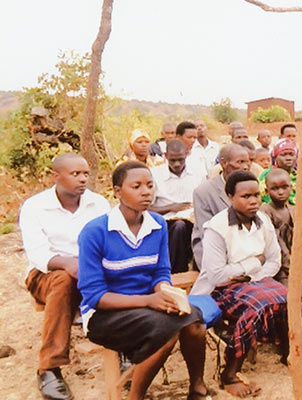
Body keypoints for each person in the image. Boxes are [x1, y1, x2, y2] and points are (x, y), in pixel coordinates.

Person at [77, 161, 209, 400]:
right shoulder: (95, 231)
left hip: (149, 305)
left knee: (195, 322)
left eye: (149, 185)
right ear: (117, 191)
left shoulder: (157, 224)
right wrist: (149, 300)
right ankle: (135, 396)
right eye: (136, 186)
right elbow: (95, 297)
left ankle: (197, 389)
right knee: (166, 332)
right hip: (105, 314)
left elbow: (160, 272)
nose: (146, 191)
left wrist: (166, 293)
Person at [190, 171, 302, 397]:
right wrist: (254, 263)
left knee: (291, 301)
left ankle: (288, 351)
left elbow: (274, 261)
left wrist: (249, 276)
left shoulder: (262, 221)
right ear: (230, 197)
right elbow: (217, 275)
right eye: (246, 196)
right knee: (258, 308)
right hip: (220, 289)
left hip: (253, 281)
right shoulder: (216, 228)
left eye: (257, 195)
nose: (254, 200)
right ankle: (229, 373)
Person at [19, 153, 110, 400]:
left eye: (85, 174)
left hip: (91, 272)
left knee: (123, 275)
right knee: (63, 280)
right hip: (46, 275)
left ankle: (124, 351)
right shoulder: (35, 207)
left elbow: (108, 242)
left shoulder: (98, 203)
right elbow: (38, 254)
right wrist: (70, 264)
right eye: (75, 174)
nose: (82, 179)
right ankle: (49, 367)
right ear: (55, 176)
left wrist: (90, 266)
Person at [259, 169, 302, 324]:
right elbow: (275, 242)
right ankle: (295, 321)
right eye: (275, 188)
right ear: (267, 190)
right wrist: (292, 266)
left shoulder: (293, 209)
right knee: (291, 292)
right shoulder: (265, 211)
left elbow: (301, 240)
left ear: (291, 187)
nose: (281, 192)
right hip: (280, 265)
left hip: (299, 261)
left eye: (285, 187)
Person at [192, 144, 251, 268]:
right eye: (240, 162)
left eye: (247, 162)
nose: (245, 167)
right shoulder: (204, 191)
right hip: (214, 254)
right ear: (224, 163)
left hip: (247, 253)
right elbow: (207, 234)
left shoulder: (250, 187)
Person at [150, 140, 201, 273]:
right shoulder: (155, 175)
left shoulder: (198, 172)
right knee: (179, 227)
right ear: (166, 156)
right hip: (166, 221)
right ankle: (177, 272)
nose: (177, 164)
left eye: (180, 159)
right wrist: (171, 207)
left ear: (187, 154)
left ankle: (199, 271)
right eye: (172, 160)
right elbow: (146, 208)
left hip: (194, 218)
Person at [259, 138, 297, 204]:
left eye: (291, 154)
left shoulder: (298, 176)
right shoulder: (267, 175)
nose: (288, 158)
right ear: (275, 157)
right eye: (283, 155)